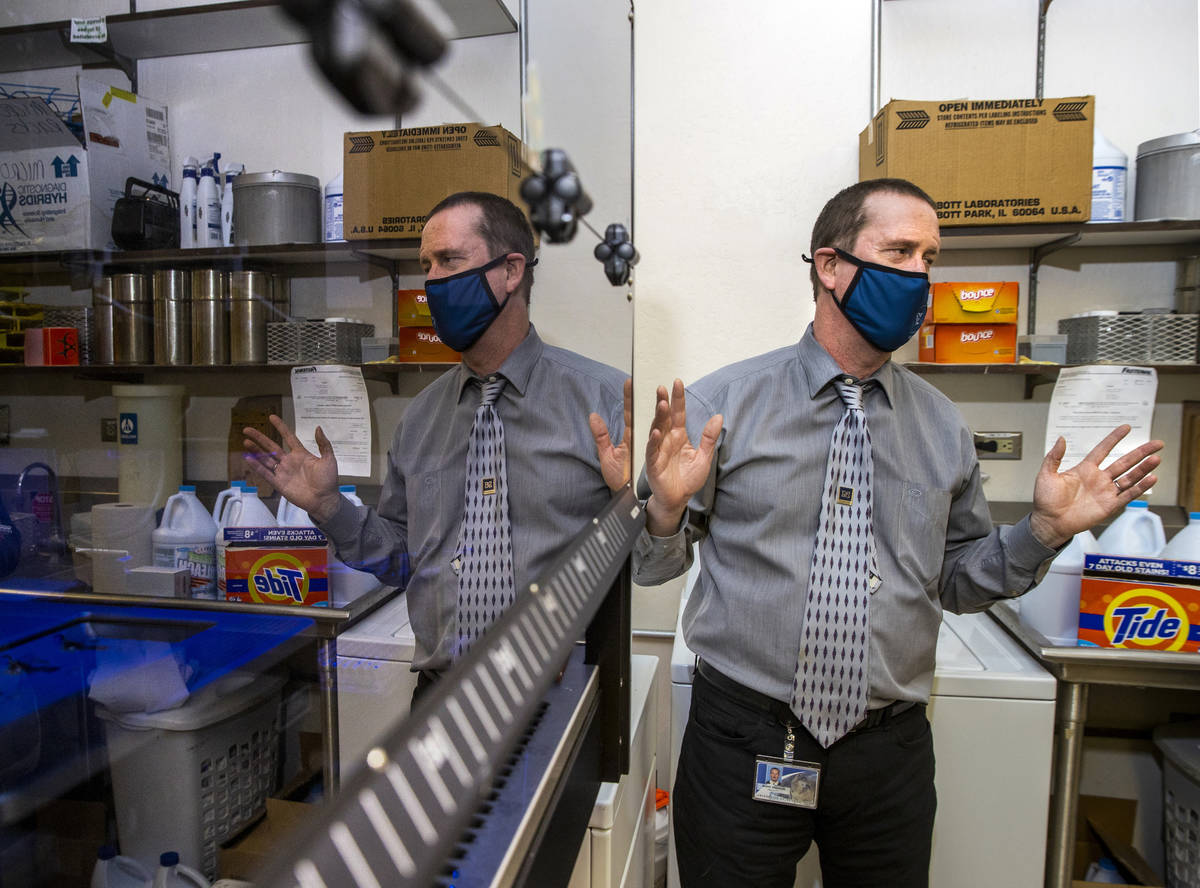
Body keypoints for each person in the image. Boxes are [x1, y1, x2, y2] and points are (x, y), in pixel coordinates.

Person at [633, 178, 1164, 887]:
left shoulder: (942, 426)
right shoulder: (722, 406)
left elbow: (959, 580)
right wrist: (664, 513)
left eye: (929, 258)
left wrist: (1042, 530)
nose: (918, 273)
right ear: (830, 266)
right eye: (899, 250)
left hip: (886, 756)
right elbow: (648, 566)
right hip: (744, 740)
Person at [244, 191, 630, 698]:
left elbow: (651, 566)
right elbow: (406, 561)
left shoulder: (605, 403)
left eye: (450, 260)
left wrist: (639, 508)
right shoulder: (421, 419)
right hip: (441, 695)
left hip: (562, 697)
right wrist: (330, 507)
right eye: (426, 265)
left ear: (511, 271)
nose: (432, 281)